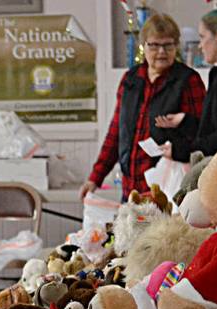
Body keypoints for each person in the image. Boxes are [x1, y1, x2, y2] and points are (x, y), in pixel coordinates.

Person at [80, 13, 206, 200]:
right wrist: (95, 178)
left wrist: (178, 147)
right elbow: (116, 132)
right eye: (154, 45)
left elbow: (201, 134)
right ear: (143, 45)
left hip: (168, 187)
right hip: (130, 188)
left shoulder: (188, 80)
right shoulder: (130, 79)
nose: (161, 52)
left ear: (176, 46)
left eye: (168, 45)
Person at [159, 8, 217, 160]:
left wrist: (181, 151)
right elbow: (211, 127)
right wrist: (184, 120)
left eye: (202, 37)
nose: (200, 46)